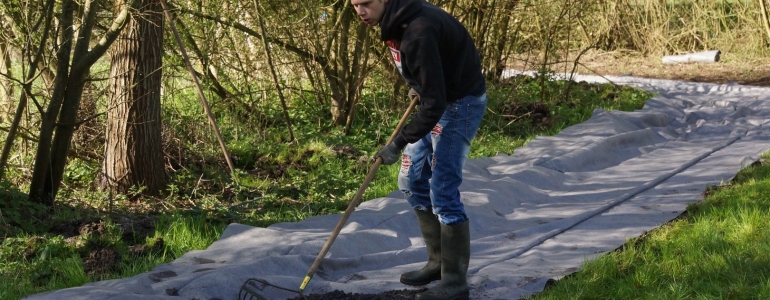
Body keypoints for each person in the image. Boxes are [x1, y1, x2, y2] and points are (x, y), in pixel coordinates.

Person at [352, 0, 487, 299]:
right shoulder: (393, 24)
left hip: (459, 105)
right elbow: (428, 71)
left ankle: (454, 281)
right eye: (354, 4)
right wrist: (422, 84)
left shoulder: (418, 31)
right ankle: (438, 262)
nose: (360, 11)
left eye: (366, 3)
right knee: (411, 181)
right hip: (437, 101)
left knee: (443, 191)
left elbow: (436, 102)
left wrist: (397, 143)